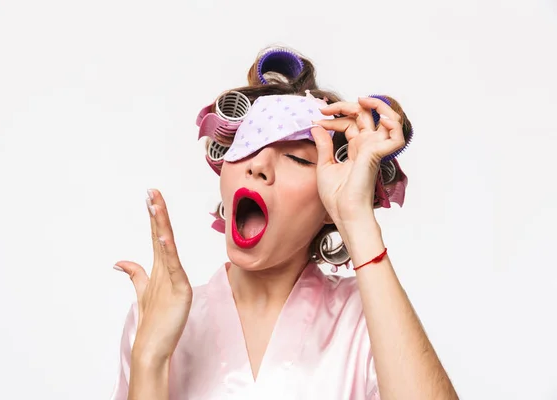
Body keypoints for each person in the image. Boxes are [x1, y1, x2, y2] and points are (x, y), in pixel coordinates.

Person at [110, 47, 459, 399]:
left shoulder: (369, 319)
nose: (258, 163)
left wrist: (355, 218)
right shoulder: (156, 318)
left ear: (327, 203)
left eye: (295, 157)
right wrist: (149, 359)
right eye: (248, 144)